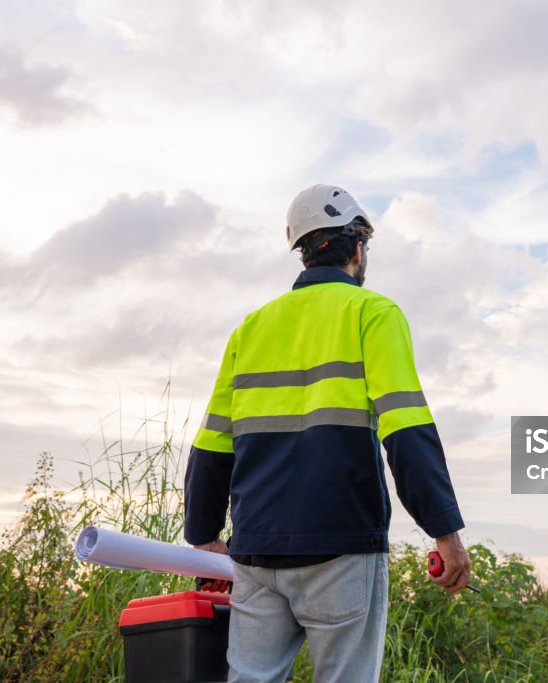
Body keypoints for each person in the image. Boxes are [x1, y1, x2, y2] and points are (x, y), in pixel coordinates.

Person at [183, 184, 471, 683]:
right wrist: (444, 531)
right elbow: (406, 428)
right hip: (341, 547)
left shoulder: (251, 328)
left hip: (256, 549)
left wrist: (203, 535)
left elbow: (212, 442)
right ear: (358, 247)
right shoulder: (372, 313)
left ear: (301, 251)